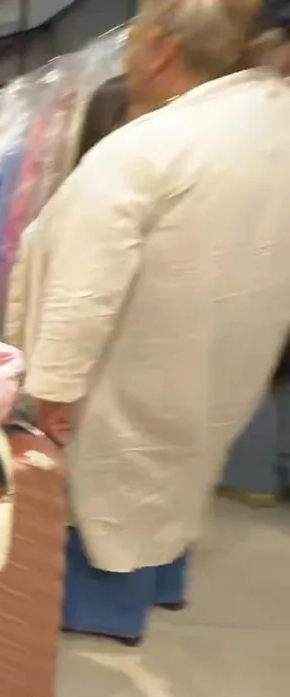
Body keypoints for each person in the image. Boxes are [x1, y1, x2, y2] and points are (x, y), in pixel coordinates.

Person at [16, 0, 290, 644]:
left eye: (132, 42)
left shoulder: (147, 149)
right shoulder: (268, 127)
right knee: (181, 472)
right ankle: (163, 582)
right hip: (226, 359)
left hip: (135, 368)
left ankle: (103, 615)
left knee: (112, 484)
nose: (127, 58)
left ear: (162, 50)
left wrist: (54, 388)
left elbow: (85, 287)